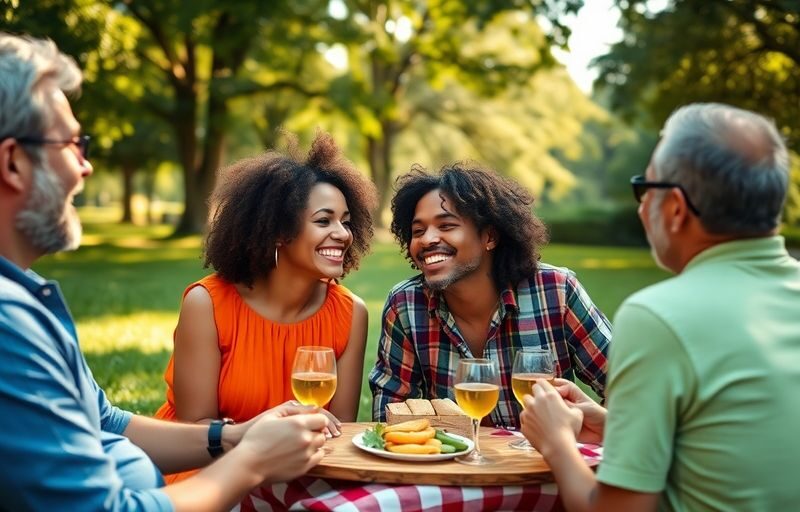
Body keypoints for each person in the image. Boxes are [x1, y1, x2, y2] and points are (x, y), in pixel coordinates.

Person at [0, 33, 331, 511]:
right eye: (73, 143)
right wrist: (251, 462)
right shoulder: (8, 326)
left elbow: (106, 422)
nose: (86, 165)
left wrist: (236, 436)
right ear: (12, 162)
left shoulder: (25, 298)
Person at [520, 103, 800, 511]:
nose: (640, 207)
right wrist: (613, 426)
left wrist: (556, 441)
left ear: (675, 208)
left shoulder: (659, 317)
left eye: (644, 188)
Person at [154, 132, 376, 482]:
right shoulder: (208, 304)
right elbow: (195, 429)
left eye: (345, 222)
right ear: (277, 232)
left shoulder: (350, 314)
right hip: (209, 470)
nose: (343, 234)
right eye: (323, 221)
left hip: (301, 471)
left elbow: (339, 430)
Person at [368, 163, 611, 428]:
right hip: (454, 468)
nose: (427, 239)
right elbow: (388, 417)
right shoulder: (406, 306)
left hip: (546, 463)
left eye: (446, 225)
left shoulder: (556, 290)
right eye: (418, 231)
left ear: (490, 236)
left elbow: (629, 389)